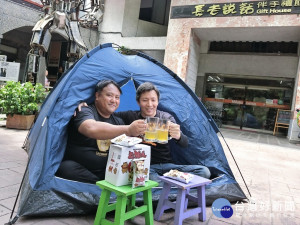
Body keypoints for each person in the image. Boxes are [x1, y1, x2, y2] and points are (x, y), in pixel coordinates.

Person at [78, 82, 211, 183]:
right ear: (138, 102)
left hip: (168, 166)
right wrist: (85, 105)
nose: (149, 104)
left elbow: (185, 143)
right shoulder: (129, 116)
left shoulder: (166, 118)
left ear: (158, 101)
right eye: (145, 100)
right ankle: (171, 187)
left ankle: (166, 185)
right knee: (144, 180)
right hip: (144, 167)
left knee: (204, 171)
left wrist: (178, 136)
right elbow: (107, 113)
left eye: (153, 100)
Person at [56, 80, 146, 184]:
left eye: (117, 97)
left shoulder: (118, 121)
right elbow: (90, 128)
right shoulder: (85, 110)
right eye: (109, 95)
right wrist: (128, 130)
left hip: (107, 171)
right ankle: (100, 186)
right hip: (80, 168)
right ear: (97, 96)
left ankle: (100, 186)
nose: (113, 100)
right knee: (66, 169)